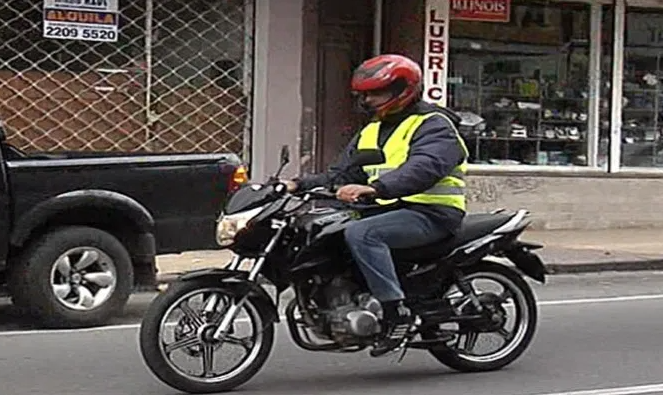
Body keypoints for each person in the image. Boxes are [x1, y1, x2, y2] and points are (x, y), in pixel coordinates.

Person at [283, 53, 469, 357]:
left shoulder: (434, 125)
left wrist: (375, 188)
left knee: (363, 234)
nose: (369, 100)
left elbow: (425, 167)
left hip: (430, 212)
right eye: (365, 94)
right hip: (387, 209)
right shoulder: (371, 130)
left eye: (376, 92)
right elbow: (341, 174)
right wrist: (297, 184)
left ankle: (395, 313)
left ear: (402, 89)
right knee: (324, 230)